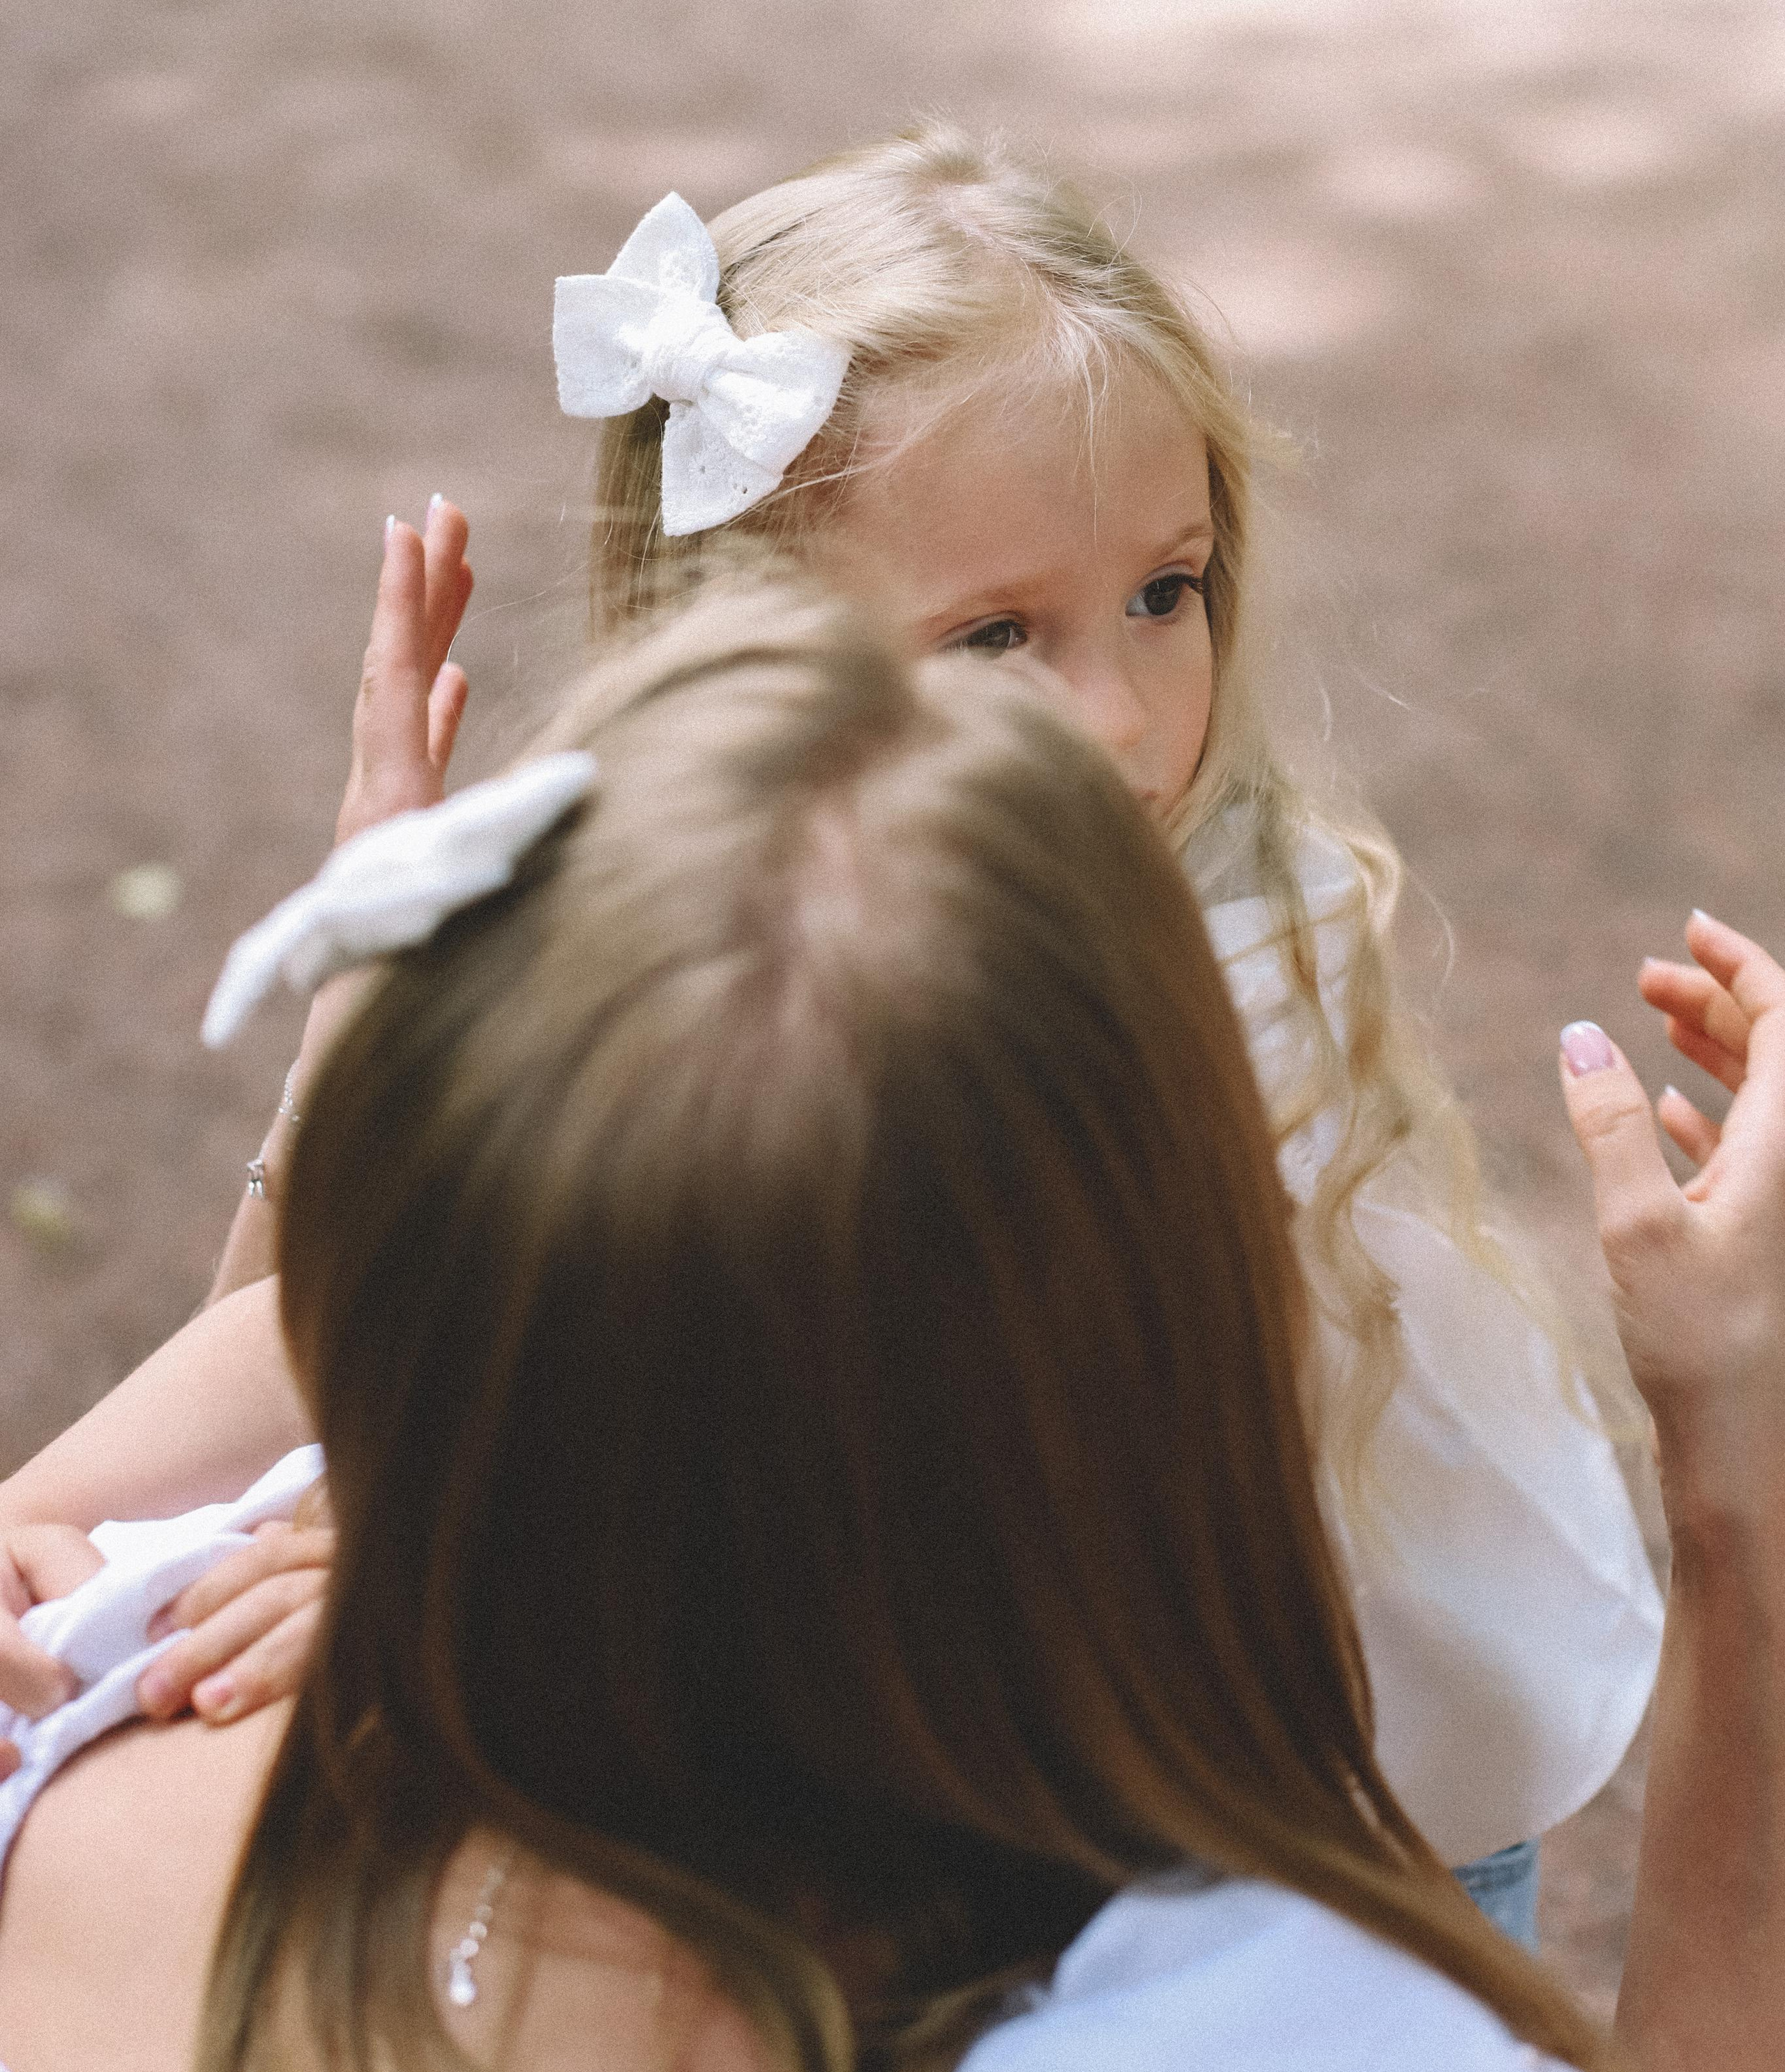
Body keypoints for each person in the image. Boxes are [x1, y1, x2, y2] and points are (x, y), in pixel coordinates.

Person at [0, 130, 1663, 1952]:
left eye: (1165, 594)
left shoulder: (1198, 987)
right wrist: (362, 1041)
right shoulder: (693, 927)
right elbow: (344, 1318)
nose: (1119, 718)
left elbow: (913, 1513)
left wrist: (462, 1579)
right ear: (751, 663)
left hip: (1305, 1839)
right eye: (995, 637)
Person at [0, 577, 1659, 2072]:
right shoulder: (1248, 2067)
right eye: (992, 632)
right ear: (1156, 1330)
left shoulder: (112, 1664)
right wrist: (1736, 1494)